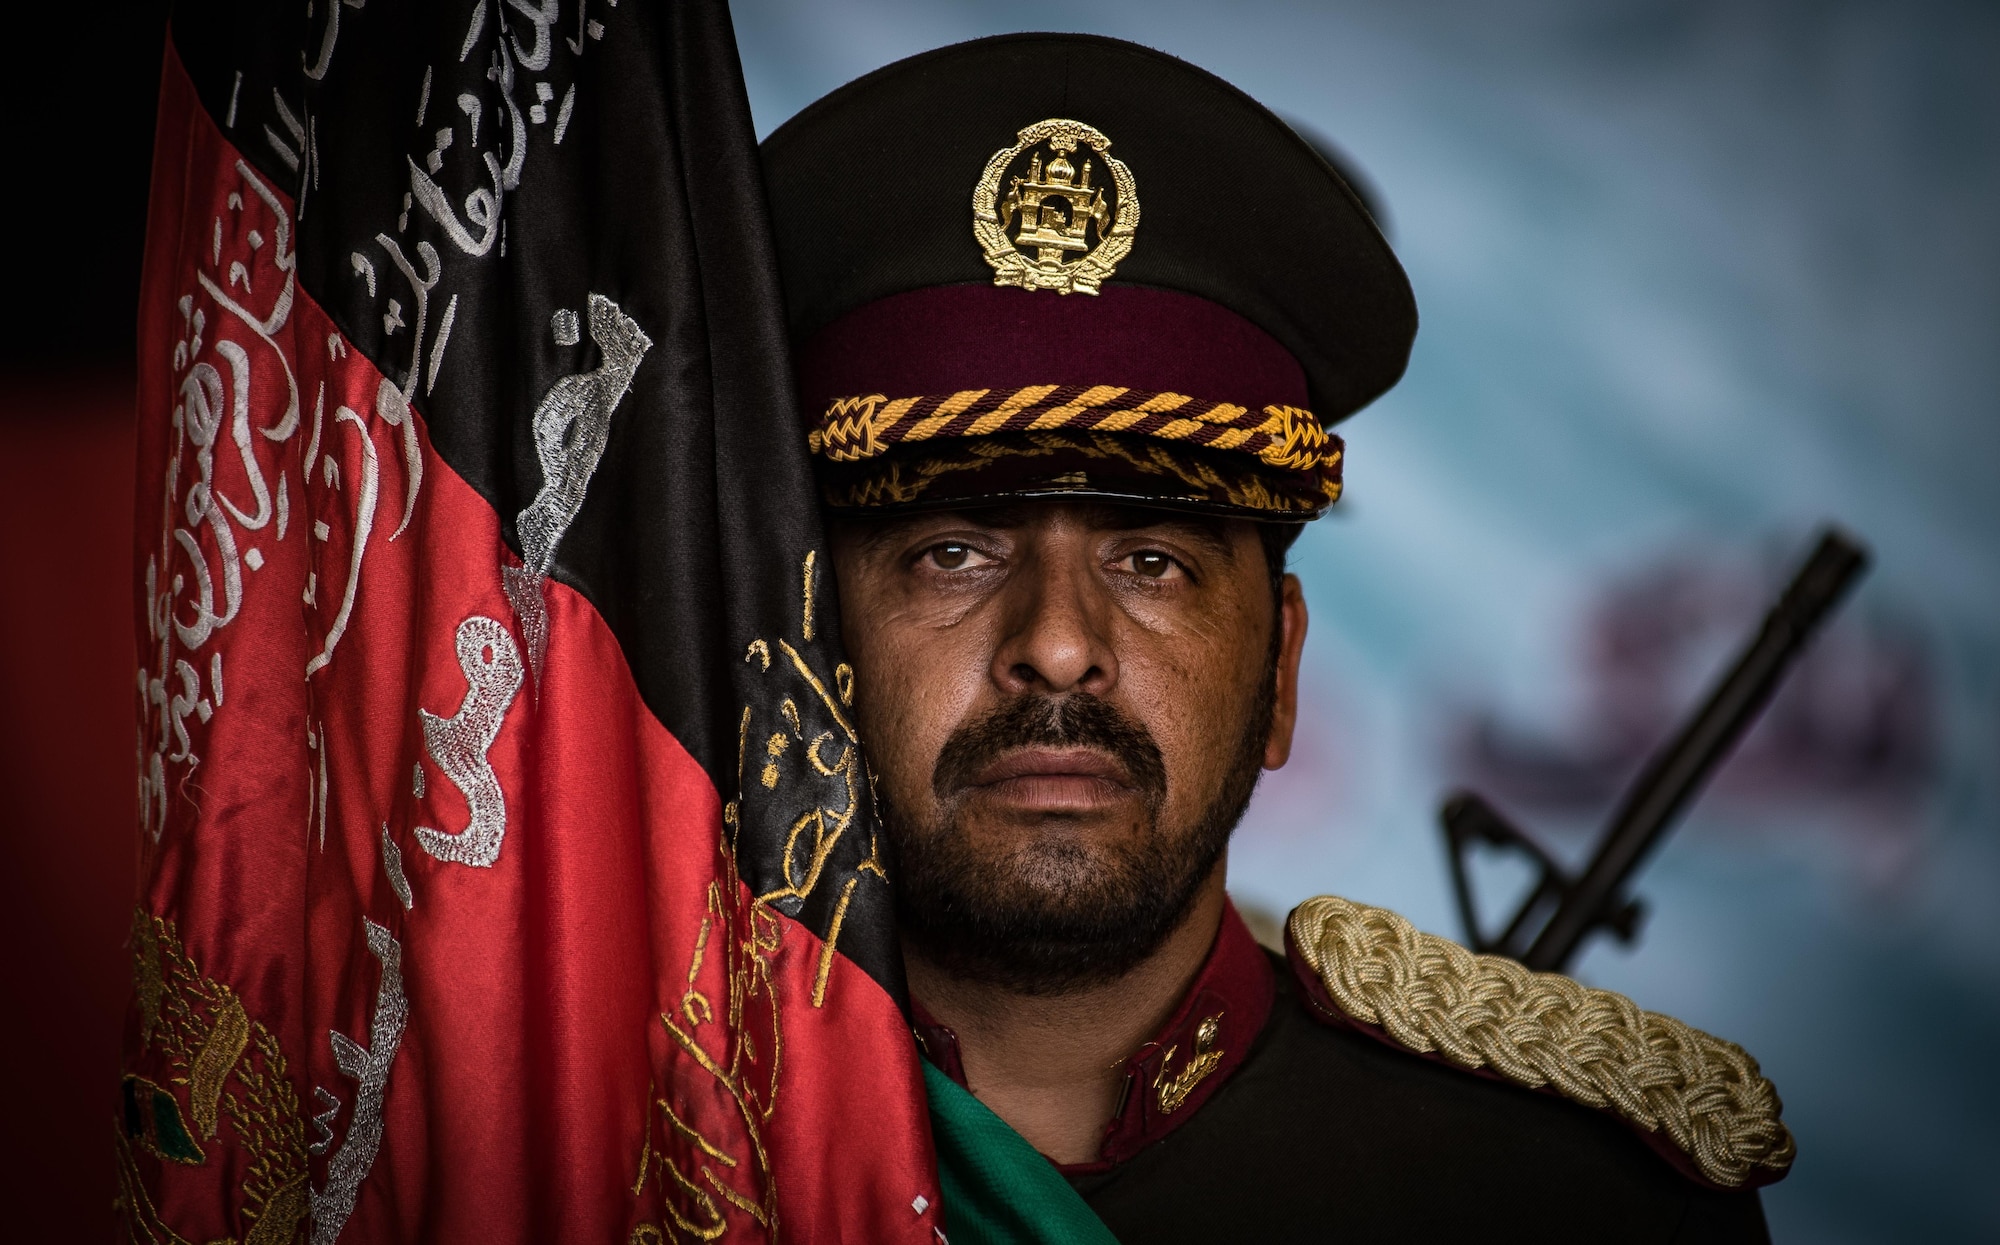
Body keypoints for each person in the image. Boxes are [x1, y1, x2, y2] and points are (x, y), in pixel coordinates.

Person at [761, 33, 1793, 1242]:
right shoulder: (618, 1133)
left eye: (1151, 563)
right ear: (805, 657)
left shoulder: (1572, 1202)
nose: (1053, 647)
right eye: (951, 554)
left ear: (1280, 672)